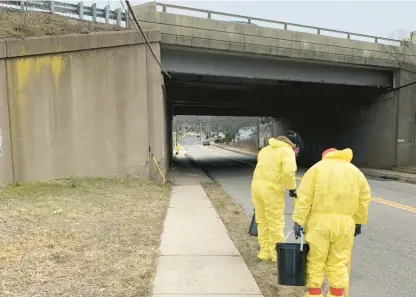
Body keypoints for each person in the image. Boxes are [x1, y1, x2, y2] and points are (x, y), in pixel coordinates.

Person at [292, 148, 371, 297]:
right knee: (339, 261)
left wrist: (298, 220)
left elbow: (304, 198)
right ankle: (336, 294)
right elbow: (364, 200)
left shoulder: (317, 169)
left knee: (316, 260)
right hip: (345, 224)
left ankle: (314, 294)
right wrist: (359, 222)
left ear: (325, 157)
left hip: (318, 223)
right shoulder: (356, 173)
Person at [251, 130, 300, 262]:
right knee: (275, 222)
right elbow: (289, 172)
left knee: (262, 221)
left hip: (256, 187)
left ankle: (264, 252)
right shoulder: (286, 151)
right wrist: (292, 188)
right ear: (293, 144)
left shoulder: (265, 149)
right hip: (271, 189)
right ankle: (276, 255)